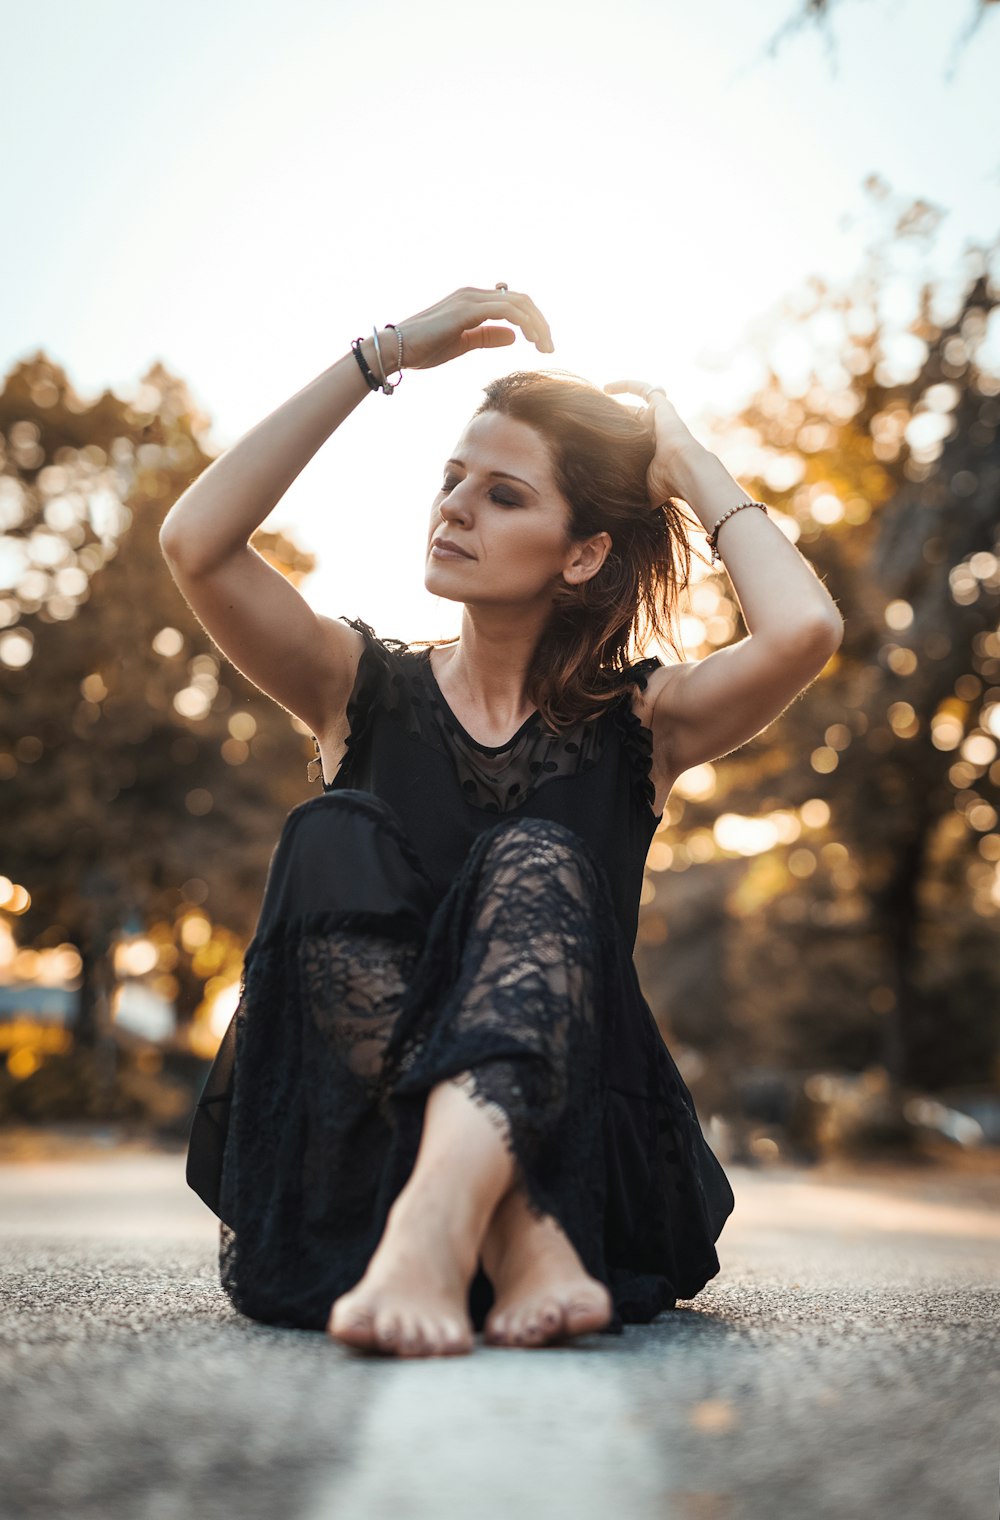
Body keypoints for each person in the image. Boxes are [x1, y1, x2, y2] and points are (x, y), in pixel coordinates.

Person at [160, 284, 844, 1360]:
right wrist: (383, 353)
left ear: (582, 554)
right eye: (451, 480)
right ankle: (499, 1235)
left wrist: (688, 458)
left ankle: (456, 1228)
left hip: (590, 1170)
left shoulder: (644, 723)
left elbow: (804, 627)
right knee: (330, 830)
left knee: (536, 855)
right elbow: (195, 542)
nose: (455, 509)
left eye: (504, 495)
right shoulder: (357, 686)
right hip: (359, 1177)